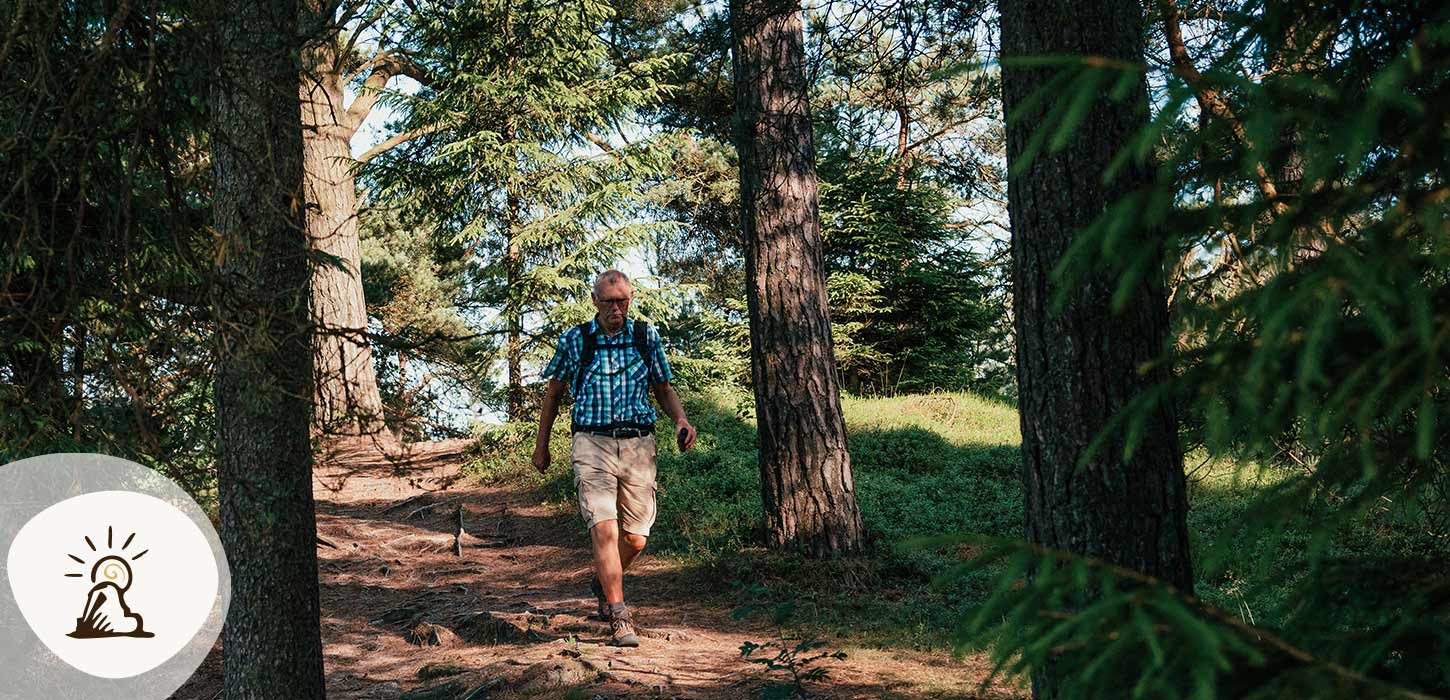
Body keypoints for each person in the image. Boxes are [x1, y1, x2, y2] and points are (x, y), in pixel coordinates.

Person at [532, 269, 697, 647]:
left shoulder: (645, 337)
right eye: (608, 301)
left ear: (631, 299)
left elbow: (664, 388)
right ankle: (619, 616)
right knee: (604, 527)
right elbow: (553, 395)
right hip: (592, 444)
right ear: (595, 302)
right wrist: (542, 445)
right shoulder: (576, 340)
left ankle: (606, 581)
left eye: (621, 300)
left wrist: (681, 420)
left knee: (636, 537)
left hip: (639, 444)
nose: (615, 308)